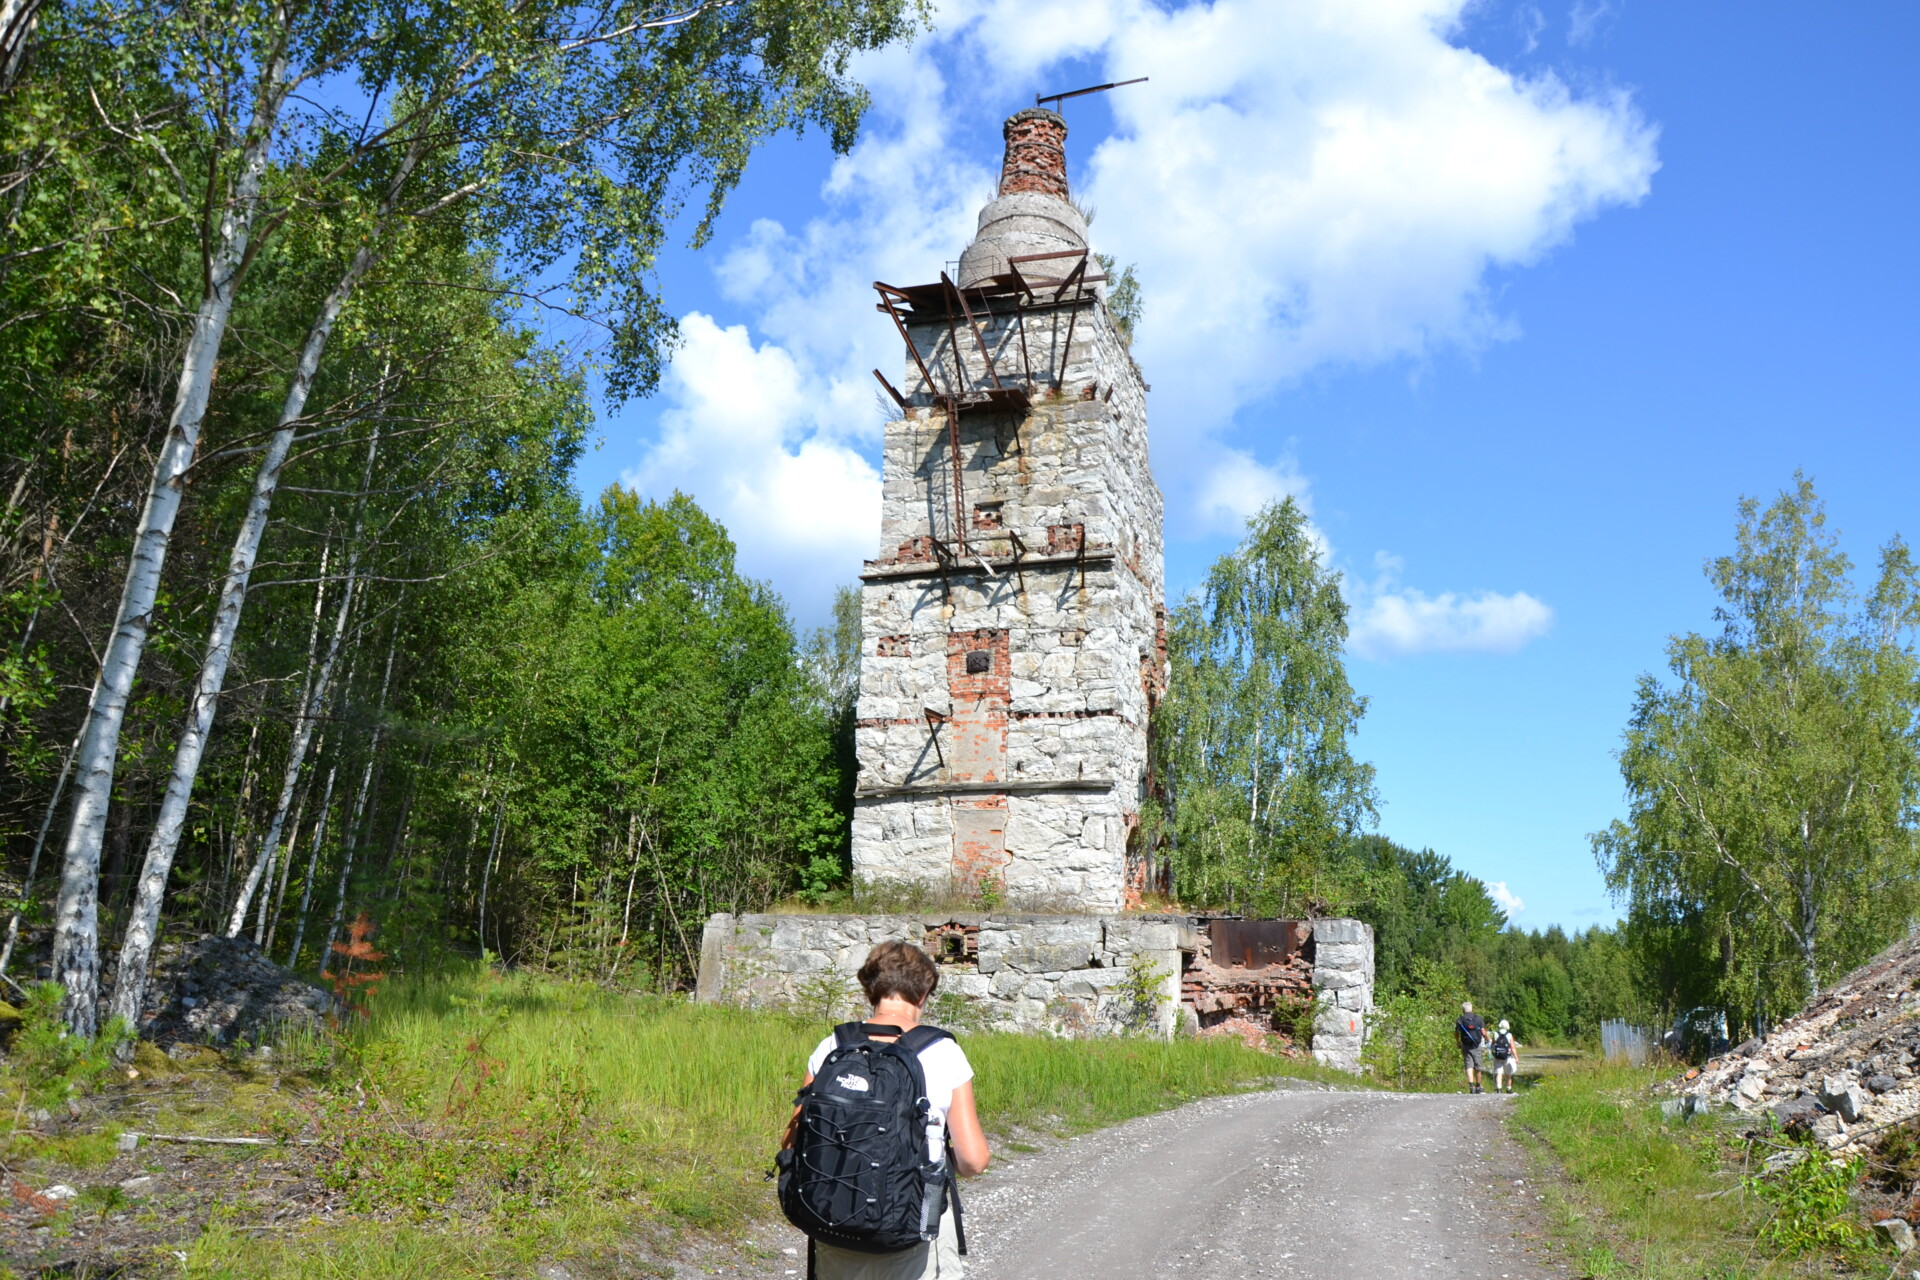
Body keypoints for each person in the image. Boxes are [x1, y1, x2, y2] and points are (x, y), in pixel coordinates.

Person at [785, 941, 990, 1280]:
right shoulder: (944, 1052)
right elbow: (973, 1160)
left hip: (832, 1223)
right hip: (912, 1233)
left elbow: (792, 1143)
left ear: (869, 990)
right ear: (923, 993)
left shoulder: (832, 1046)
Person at [1456, 1000, 1489, 1094]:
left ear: (1463, 1009)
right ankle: (1478, 1086)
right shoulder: (1478, 1019)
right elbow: (1483, 1032)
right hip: (1477, 1045)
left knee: (1469, 1065)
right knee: (1478, 1066)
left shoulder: (1460, 1020)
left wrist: (1458, 1042)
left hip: (1466, 1045)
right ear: (1472, 1008)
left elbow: (1457, 1033)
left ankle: (1471, 1086)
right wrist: (1487, 1039)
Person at [1488, 1019, 1521, 1094]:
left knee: (1499, 1073)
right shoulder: (1509, 1035)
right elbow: (1513, 1047)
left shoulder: (1495, 1034)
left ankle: (1499, 1088)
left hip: (1498, 1057)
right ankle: (1508, 1089)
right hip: (1507, 1057)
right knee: (1508, 1074)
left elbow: (1492, 1045)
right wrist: (1516, 1058)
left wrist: (1491, 1052)